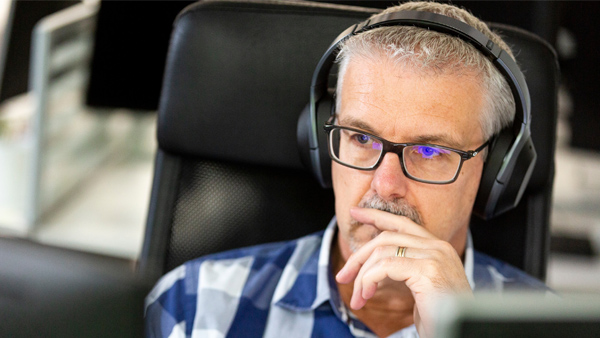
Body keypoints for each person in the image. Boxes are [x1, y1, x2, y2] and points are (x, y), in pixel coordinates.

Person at [145, 2, 549, 337]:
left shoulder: (551, 326)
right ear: (322, 148)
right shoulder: (194, 306)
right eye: (361, 138)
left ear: (498, 171)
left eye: (428, 151)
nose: (386, 184)